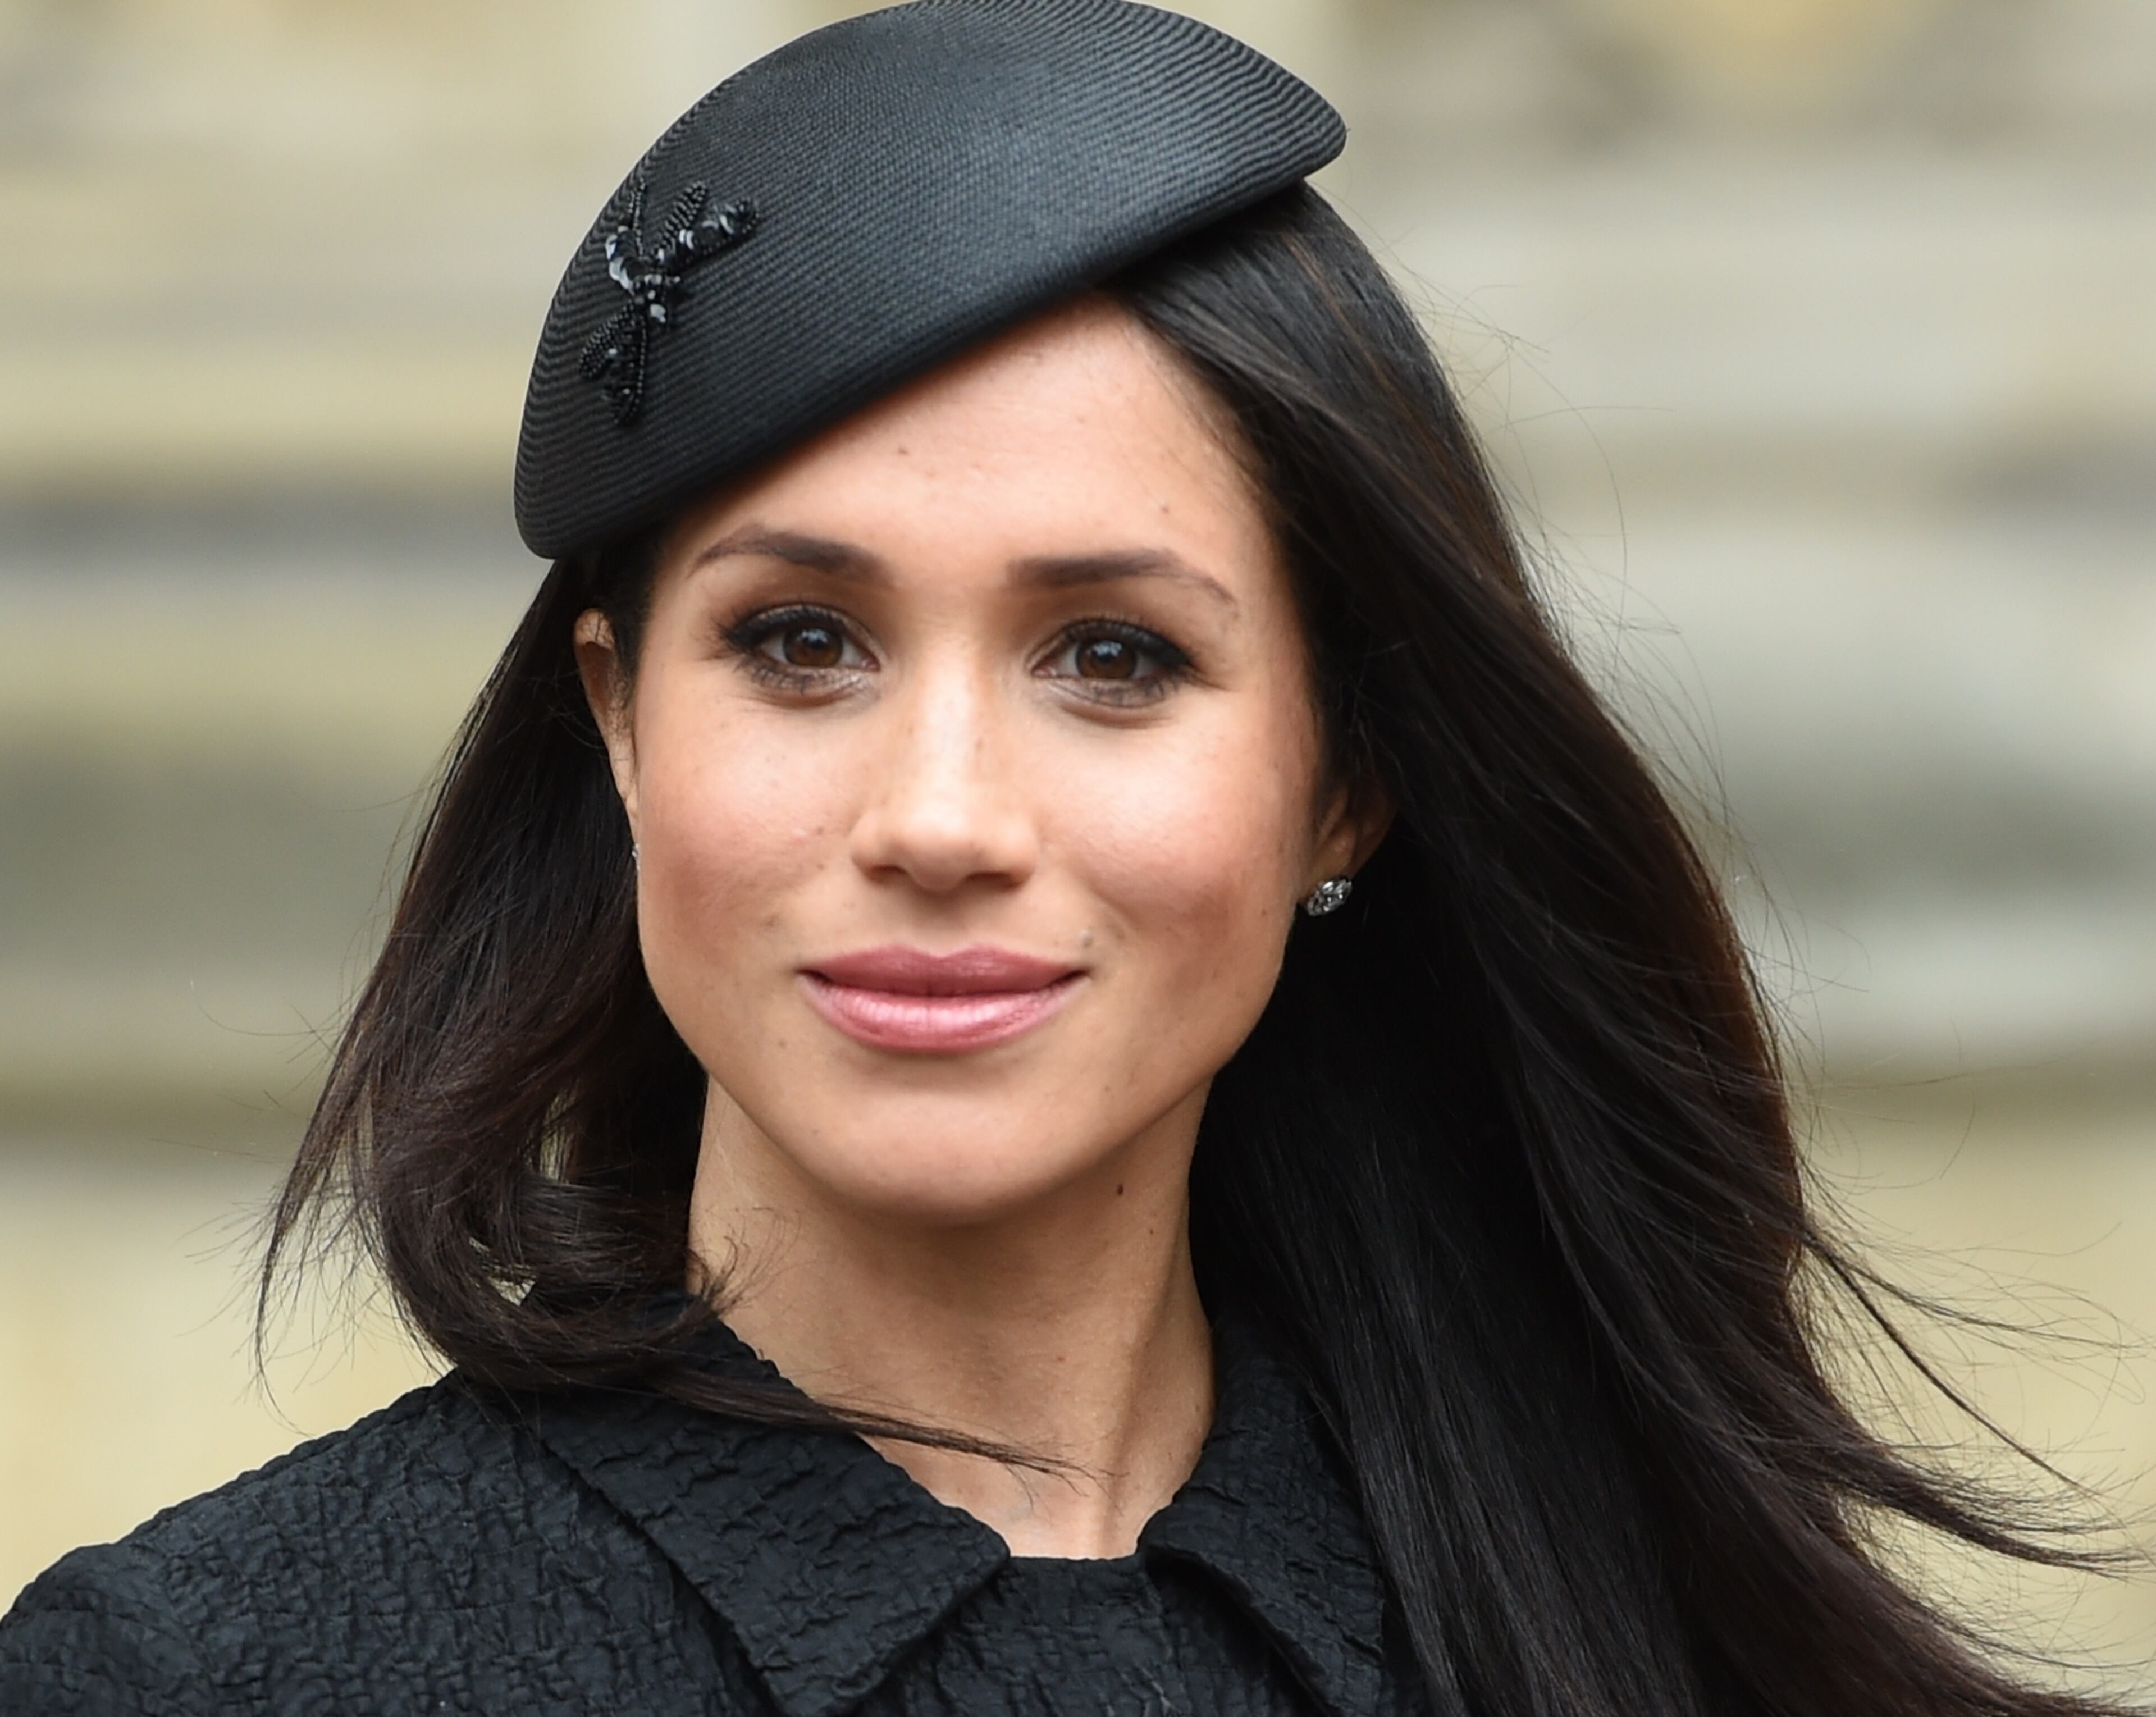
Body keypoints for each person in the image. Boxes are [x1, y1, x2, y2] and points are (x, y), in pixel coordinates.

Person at [1, 3, 2138, 1714]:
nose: (941, 815)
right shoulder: (203, 1671)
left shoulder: (1646, 1638)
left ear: (1345, 786)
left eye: (1112, 656)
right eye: (801, 642)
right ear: (619, 717)